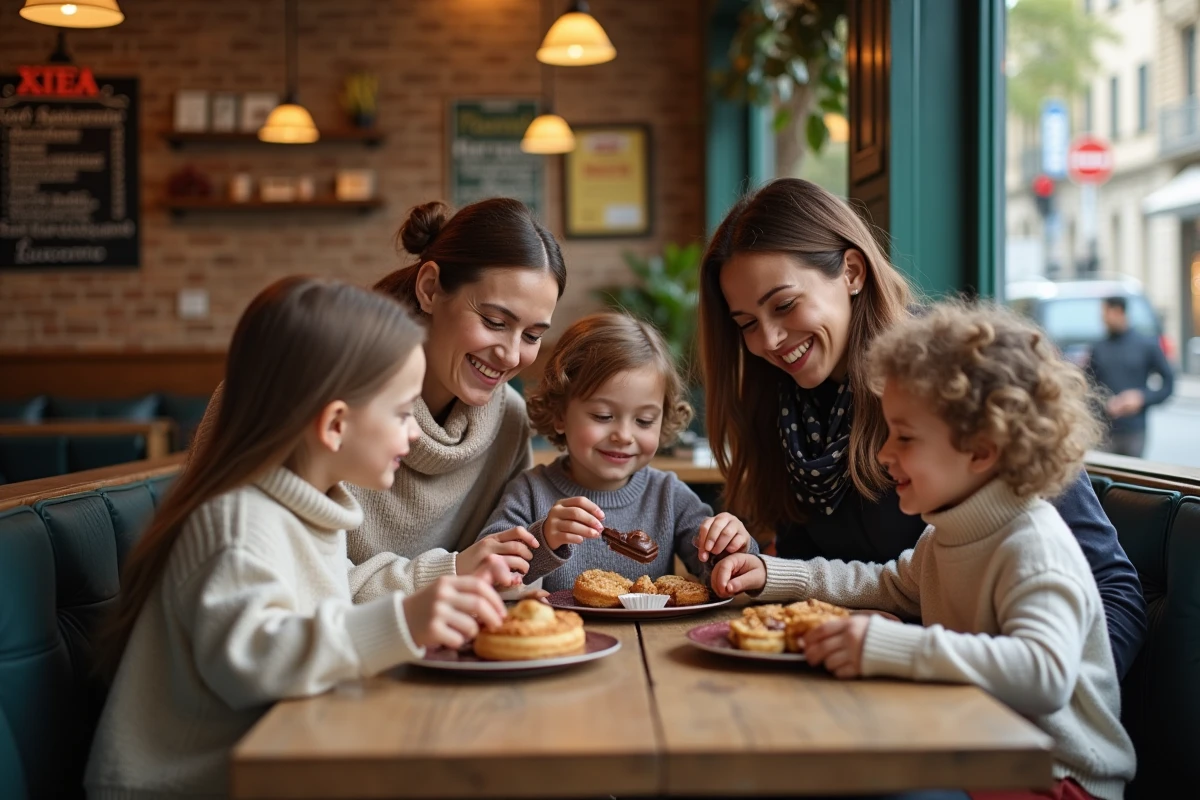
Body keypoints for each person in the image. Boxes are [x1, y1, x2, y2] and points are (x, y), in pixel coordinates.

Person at [697, 178, 1146, 680]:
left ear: (851, 271)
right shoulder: (786, 410)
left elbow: (1109, 591)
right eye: (746, 323)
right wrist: (756, 563)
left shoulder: (956, 381)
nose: (769, 340)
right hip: (861, 686)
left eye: (783, 304)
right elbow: (838, 587)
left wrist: (1043, 715)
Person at [86, 278, 511, 799]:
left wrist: (444, 580)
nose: (415, 432)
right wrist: (402, 621)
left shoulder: (301, 508)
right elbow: (253, 659)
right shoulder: (237, 522)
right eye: (403, 413)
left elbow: (341, 593)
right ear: (335, 425)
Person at [712, 302, 1136, 800]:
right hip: (981, 747)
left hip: (1056, 775)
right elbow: (886, 584)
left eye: (905, 437)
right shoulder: (947, 533)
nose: (884, 452)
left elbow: (1044, 674)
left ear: (981, 449)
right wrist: (773, 573)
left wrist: (893, 646)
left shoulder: (1033, 547)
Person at [191, 198, 567, 599]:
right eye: (494, 321)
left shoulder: (507, 420)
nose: (511, 355)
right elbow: (262, 572)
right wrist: (450, 572)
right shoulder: (304, 388)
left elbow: (495, 571)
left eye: (532, 336)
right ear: (429, 288)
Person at [477, 312, 758, 592]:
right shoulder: (529, 493)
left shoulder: (669, 496)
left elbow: (720, 571)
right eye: (603, 416)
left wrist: (732, 546)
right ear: (560, 414)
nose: (624, 436)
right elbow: (488, 569)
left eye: (644, 421)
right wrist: (544, 539)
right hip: (560, 623)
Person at [1088, 295, 1174, 458]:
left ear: (1118, 312)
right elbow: (1089, 386)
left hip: (1134, 430)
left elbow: (1168, 384)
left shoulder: (1146, 345)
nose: (1103, 319)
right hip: (1105, 430)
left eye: (1105, 313)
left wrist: (1142, 397)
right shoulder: (1098, 348)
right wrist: (1105, 404)